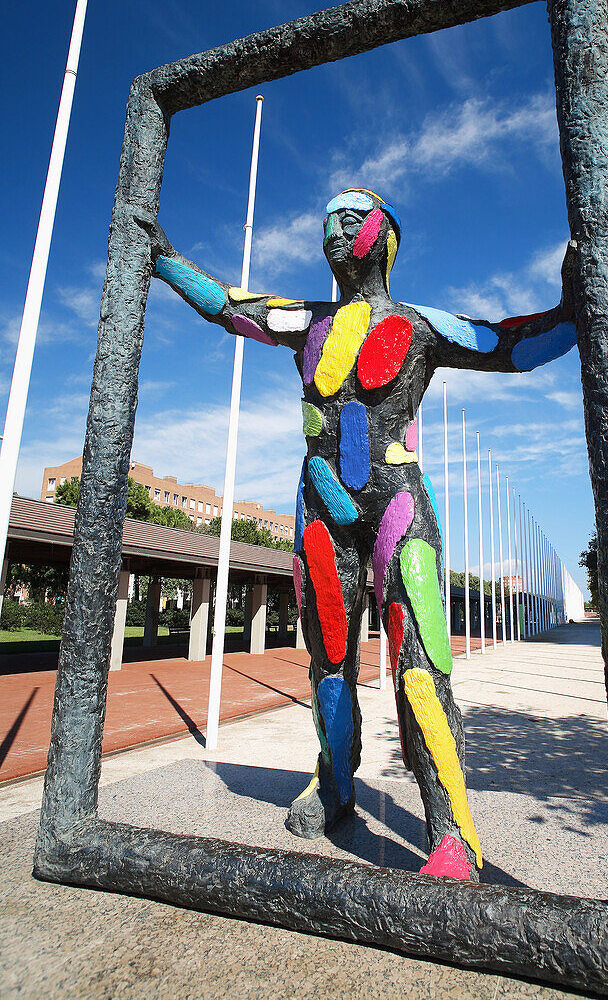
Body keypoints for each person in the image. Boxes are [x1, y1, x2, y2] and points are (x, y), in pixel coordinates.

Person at [137, 188, 576, 880]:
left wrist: (574, 305)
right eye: (327, 222)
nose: (333, 232)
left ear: (385, 236)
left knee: (422, 668)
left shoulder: (419, 325)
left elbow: (506, 345)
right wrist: (163, 261)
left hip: (398, 502)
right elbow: (230, 306)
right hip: (321, 503)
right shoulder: (305, 321)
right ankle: (336, 785)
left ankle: (452, 832)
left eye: (350, 220)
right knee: (328, 662)